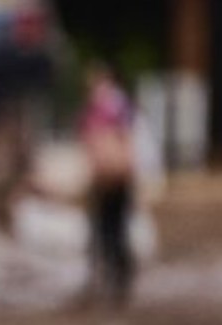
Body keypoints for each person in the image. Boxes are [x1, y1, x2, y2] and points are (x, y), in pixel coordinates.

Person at [78, 62, 137, 305]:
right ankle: (107, 278)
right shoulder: (98, 111)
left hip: (114, 177)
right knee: (104, 229)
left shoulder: (112, 110)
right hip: (105, 177)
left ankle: (114, 278)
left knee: (111, 229)